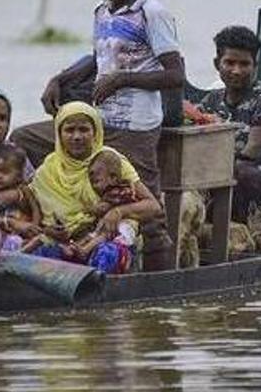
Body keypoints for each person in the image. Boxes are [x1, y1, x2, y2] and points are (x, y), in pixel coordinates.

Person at [12, 0, 185, 196]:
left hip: (135, 128)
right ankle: (47, 212)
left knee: (144, 201)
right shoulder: (102, 11)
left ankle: (155, 237)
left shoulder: (151, 13)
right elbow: (98, 59)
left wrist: (122, 79)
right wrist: (59, 80)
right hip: (98, 123)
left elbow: (175, 75)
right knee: (23, 140)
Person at [27, 102, 161, 274]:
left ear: (95, 132)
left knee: (107, 254)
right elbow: (34, 211)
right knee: (41, 254)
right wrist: (50, 230)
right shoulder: (48, 170)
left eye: (84, 130)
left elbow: (153, 206)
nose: (77, 137)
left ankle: (99, 297)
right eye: (69, 130)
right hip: (66, 243)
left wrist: (118, 212)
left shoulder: (110, 161)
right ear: (59, 134)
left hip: (104, 240)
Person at [198, 25, 261, 222]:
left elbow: (255, 146)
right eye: (229, 63)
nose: (237, 71)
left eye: (244, 64)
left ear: (255, 65)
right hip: (224, 182)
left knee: (238, 172)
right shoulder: (210, 101)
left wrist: (218, 173)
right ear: (217, 64)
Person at [0, 143, 42, 252]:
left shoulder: (24, 190)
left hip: (23, 231)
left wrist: (34, 227)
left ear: (19, 175)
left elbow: (35, 208)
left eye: (5, 172)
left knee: (16, 241)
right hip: (3, 231)